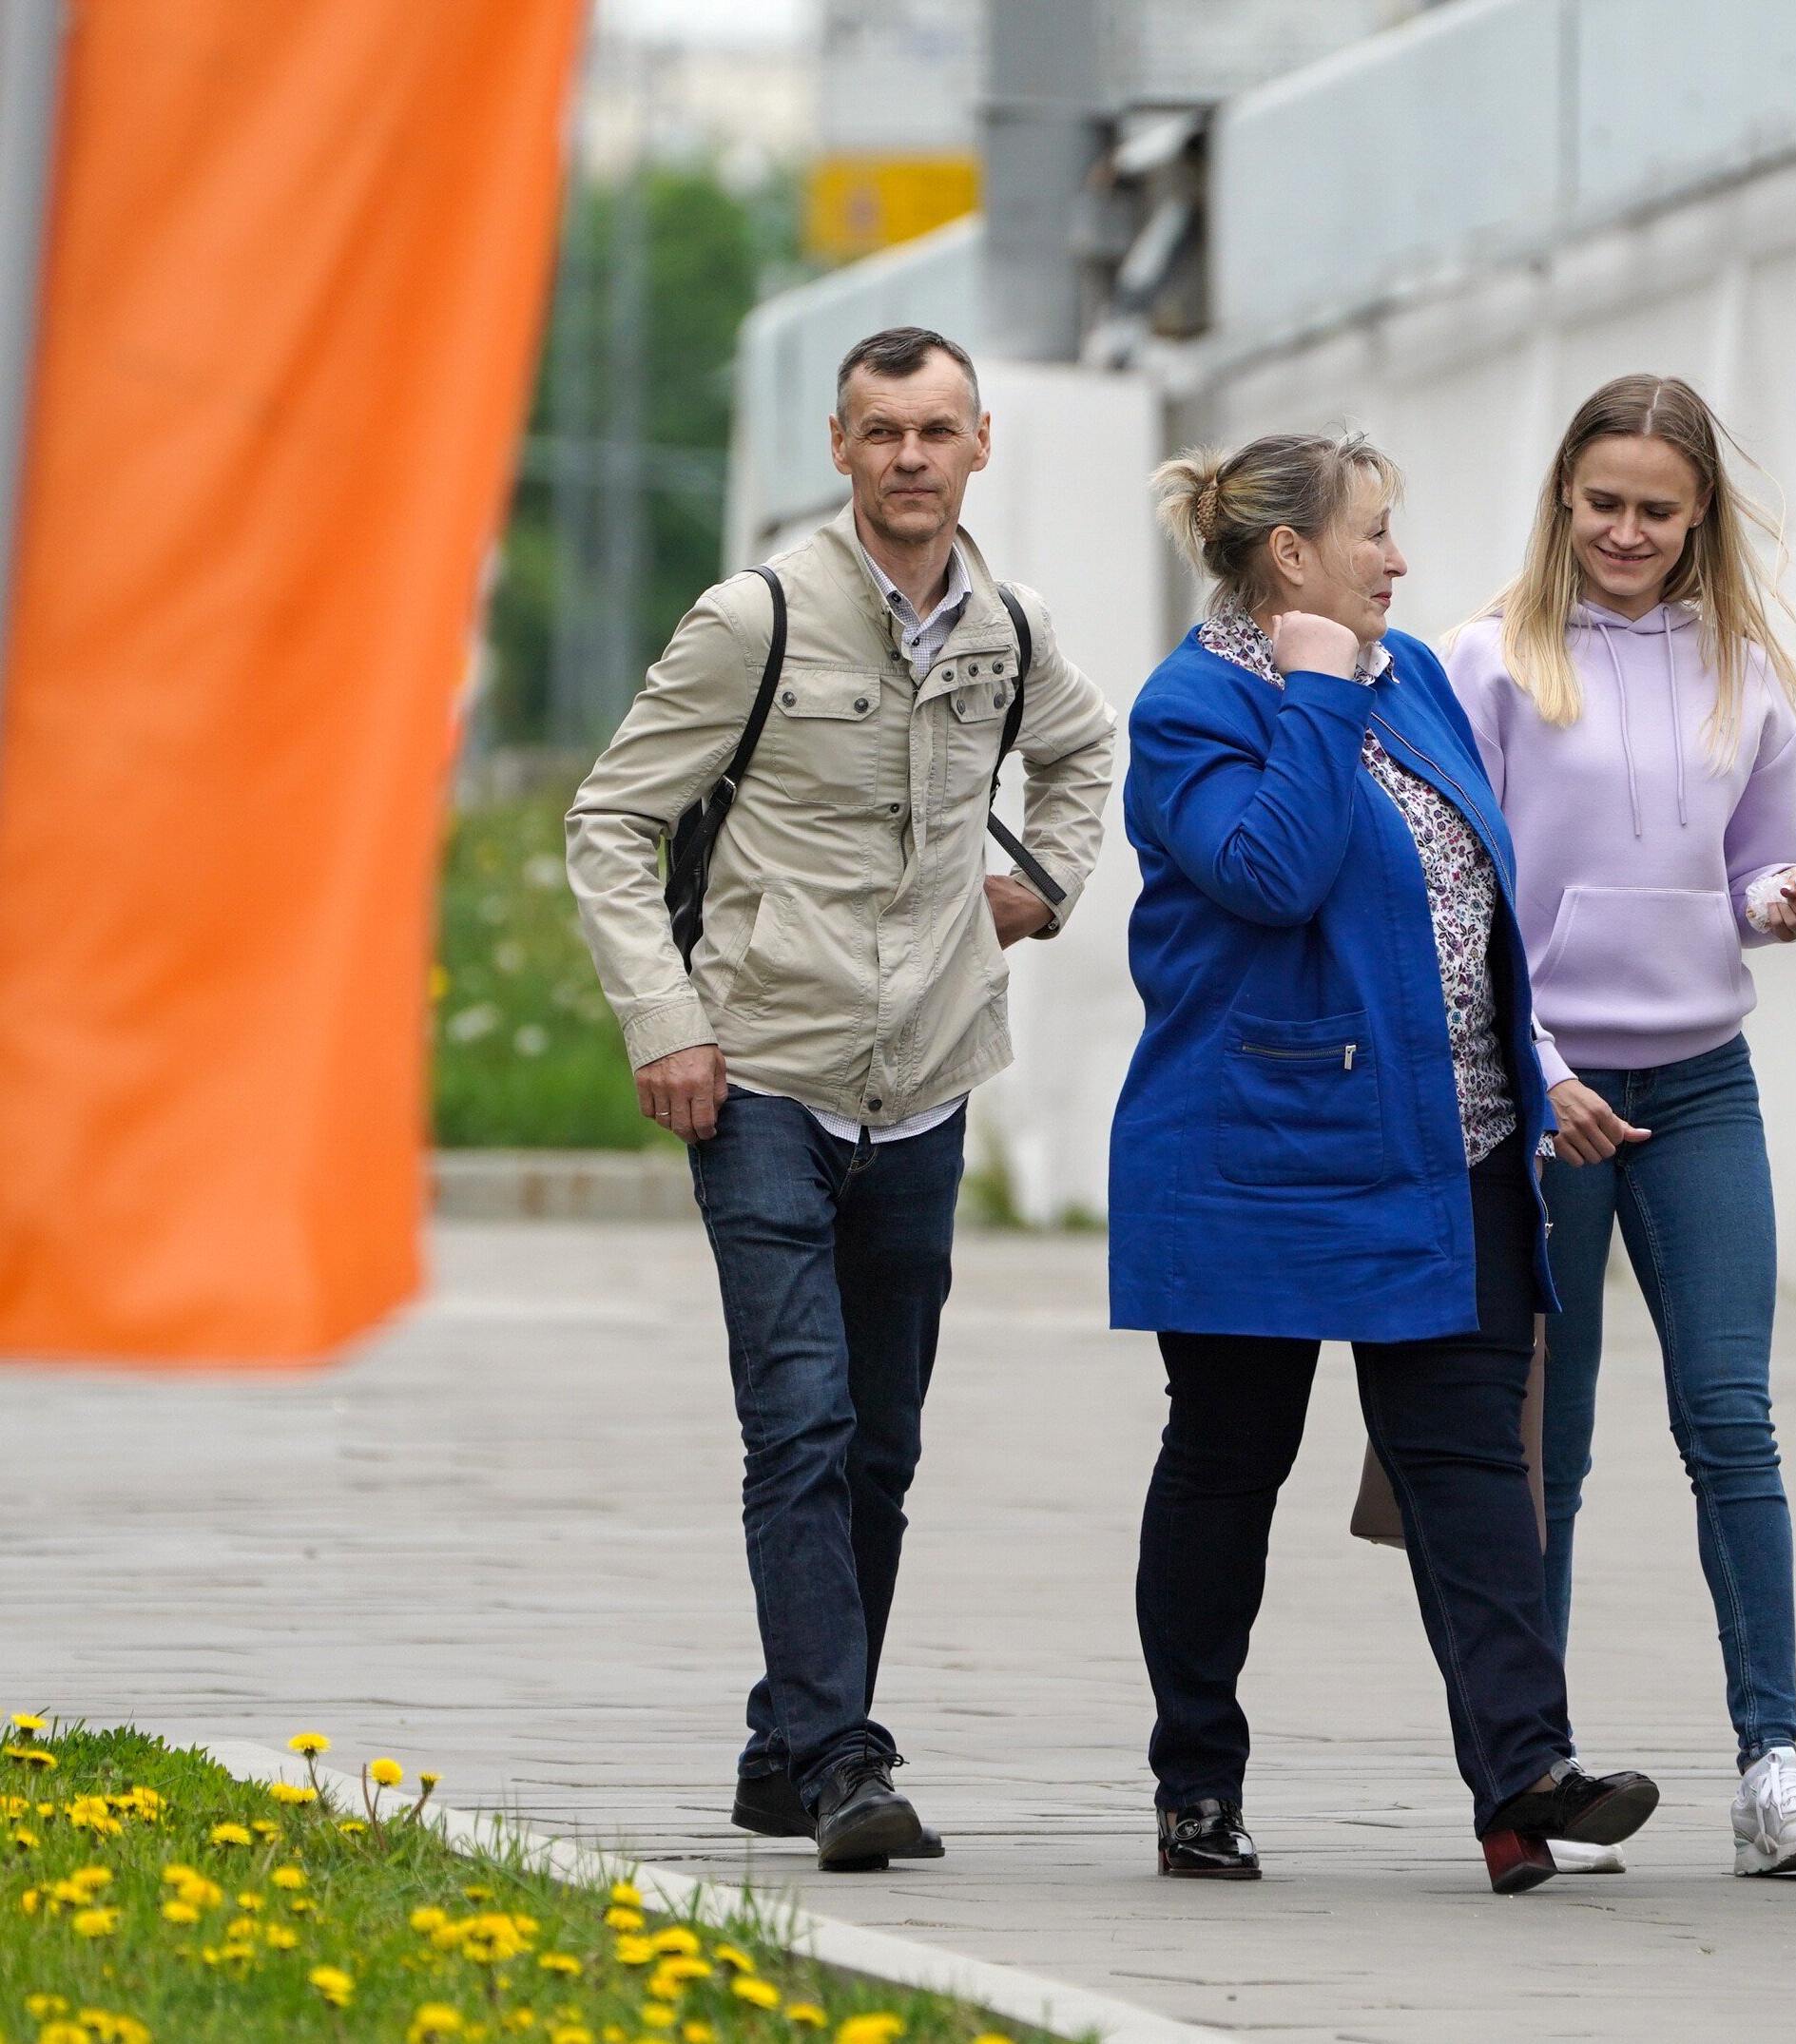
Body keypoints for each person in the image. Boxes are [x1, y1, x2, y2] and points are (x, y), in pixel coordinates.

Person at [568, 326, 1118, 1871]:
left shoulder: (1009, 629)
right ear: (840, 447)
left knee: (878, 1440)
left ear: (980, 446)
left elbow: (1084, 755)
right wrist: (666, 1021)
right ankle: (845, 1754)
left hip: (930, 1080)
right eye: (882, 430)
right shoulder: (756, 620)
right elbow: (611, 821)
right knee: (800, 1421)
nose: (910, 457)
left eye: (938, 429)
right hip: (764, 1074)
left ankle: (785, 1745)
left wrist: (1043, 882)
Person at [1112, 428, 1659, 1895]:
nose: (1399, 559)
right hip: (1255, 1150)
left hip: (1449, 1142)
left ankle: (1522, 1779)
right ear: (1290, 555)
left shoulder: (1411, 671)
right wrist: (1304, 691)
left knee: (1477, 1462)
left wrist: (1531, 1076)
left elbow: (1479, 891)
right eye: (1372, 533)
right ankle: (1196, 1783)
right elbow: (1271, 873)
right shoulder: (1188, 709)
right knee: (1231, 1461)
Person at [1446, 373, 1796, 1878]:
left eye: (1657, 510)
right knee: (1540, 1452)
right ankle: (1533, 1773)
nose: (1626, 532)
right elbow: (1466, 902)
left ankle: (1773, 1769)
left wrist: (1788, 903)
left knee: (1731, 1424)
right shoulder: (1486, 663)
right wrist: (1539, 1061)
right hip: (1542, 1094)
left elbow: (1757, 872)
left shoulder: (1746, 670)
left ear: (1699, 523)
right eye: (1603, 502)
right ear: (1564, 497)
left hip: (1699, 1086)